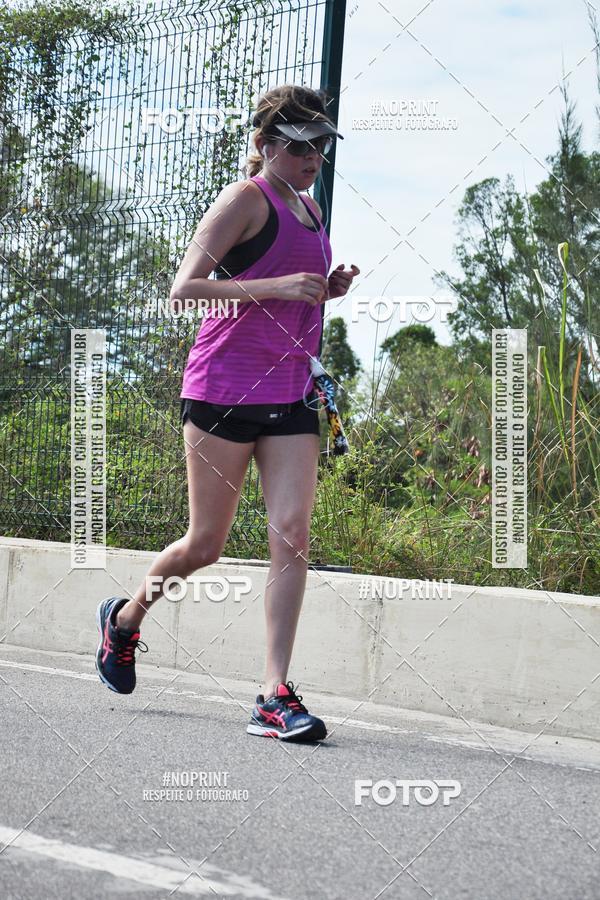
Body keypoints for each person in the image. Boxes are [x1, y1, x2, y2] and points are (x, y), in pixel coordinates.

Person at [95, 83, 359, 742]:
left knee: (291, 532)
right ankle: (125, 622)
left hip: (291, 392)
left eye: (320, 146)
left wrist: (327, 289)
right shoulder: (244, 199)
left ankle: (274, 693)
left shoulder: (311, 208)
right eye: (299, 146)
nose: (312, 158)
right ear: (267, 145)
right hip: (222, 391)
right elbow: (185, 286)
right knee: (205, 545)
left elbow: (293, 289)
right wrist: (273, 285)